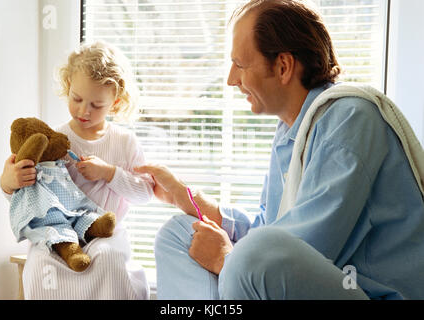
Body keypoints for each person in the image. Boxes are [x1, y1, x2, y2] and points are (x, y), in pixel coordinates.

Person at [135, 0, 424, 300]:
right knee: (179, 235)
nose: (231, 79)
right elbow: (270, 227)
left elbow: (304, 247)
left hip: (368, 293)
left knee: (249, 258)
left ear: (283, 66)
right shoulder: (292, 130)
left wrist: (225, 257)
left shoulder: (351, 118)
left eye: (240, 65)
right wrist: (197, 203)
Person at [0, 41, 154, 299]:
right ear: (68, 86)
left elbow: (145, 193)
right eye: (77, 99)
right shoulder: (53, 139)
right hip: (56, 231)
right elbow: (28, 196)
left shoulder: (125, 143)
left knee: (108, 260)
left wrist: (109, 173)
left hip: (104, 233)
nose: (84, 111)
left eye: (96, 105)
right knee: (40, 265)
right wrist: (9, 182)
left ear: (115, 102)